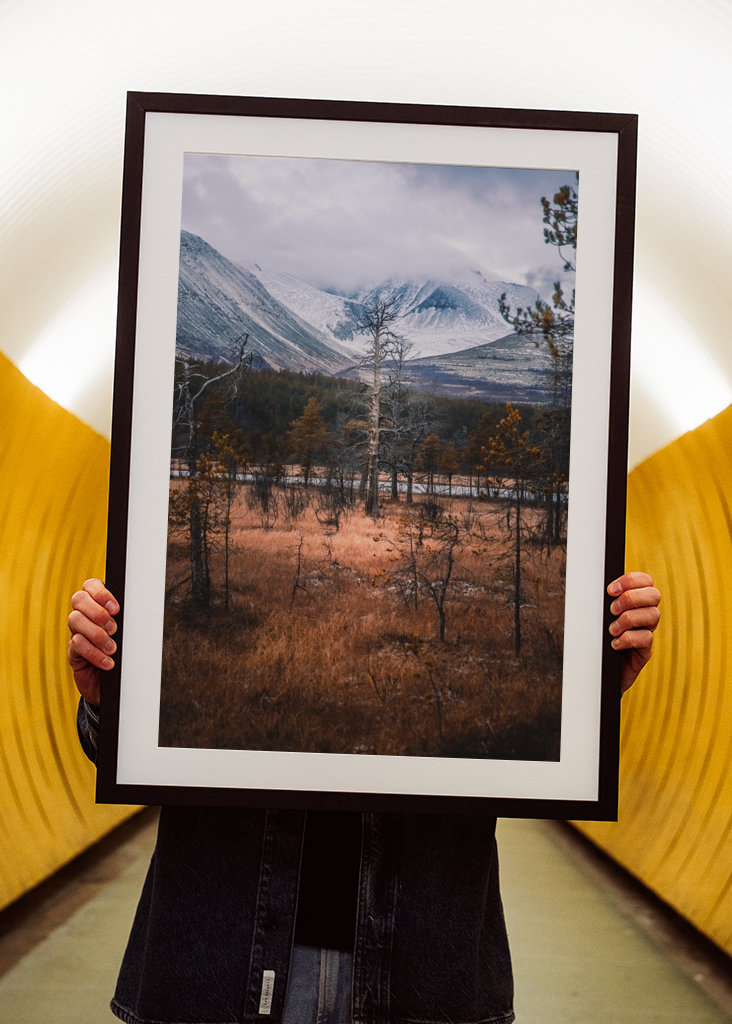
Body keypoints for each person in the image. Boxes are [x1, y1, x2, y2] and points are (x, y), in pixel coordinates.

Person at [68, 572, 661, 1024]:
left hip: (423, 967)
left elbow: (536, 756)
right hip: (219, 958)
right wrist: (109, 702)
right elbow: (121, 752)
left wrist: (586, 694)